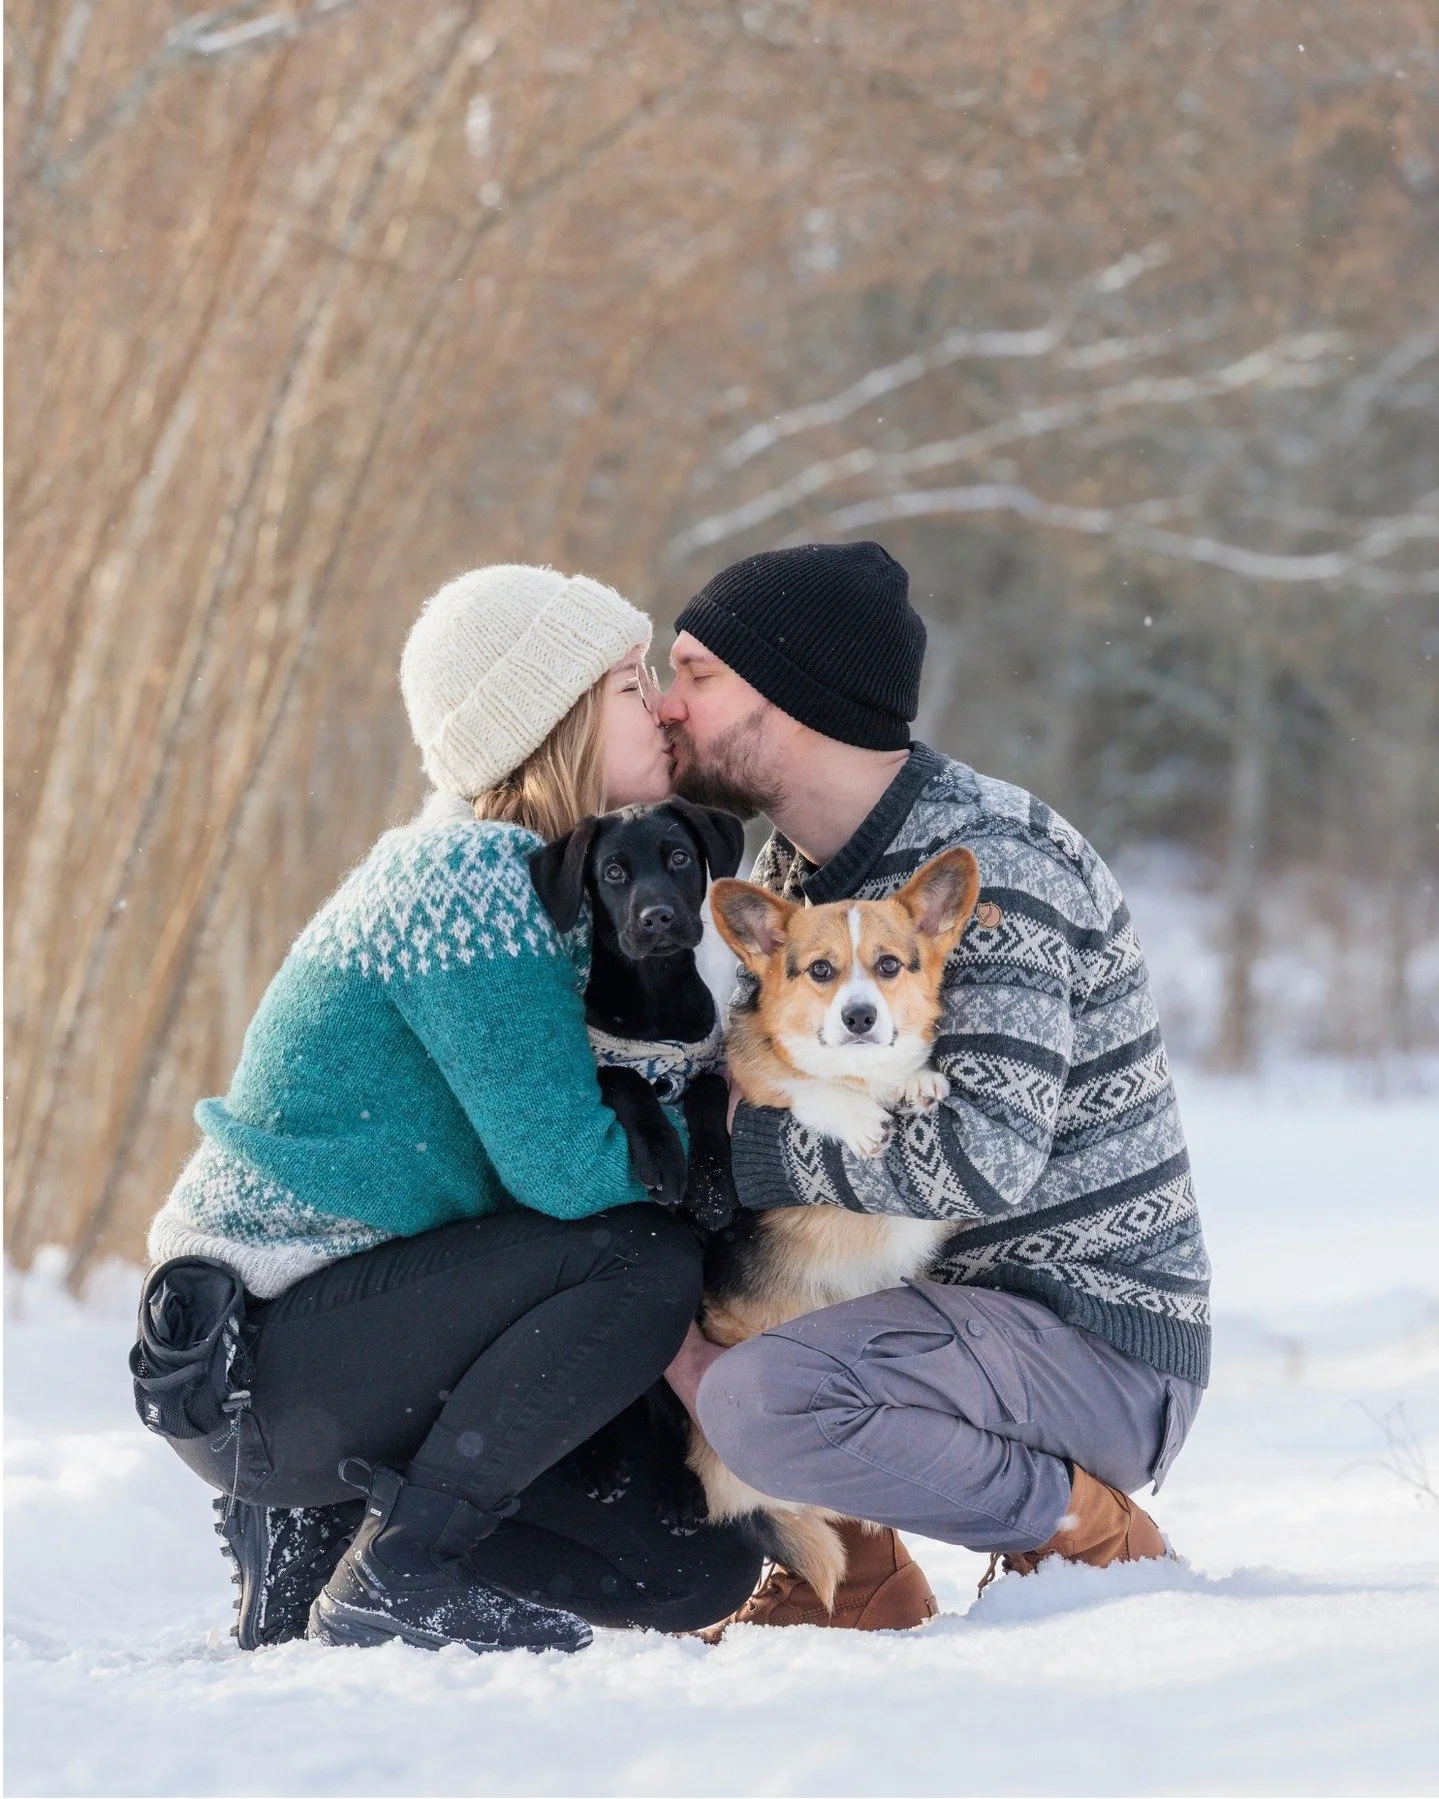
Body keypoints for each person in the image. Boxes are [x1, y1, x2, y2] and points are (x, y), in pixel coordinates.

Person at [139, 564, 762, 1654]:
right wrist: (718, 1177)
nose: (662, 703)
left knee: (691, 1558)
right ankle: (398, 1568)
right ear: (552, 719)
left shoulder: (556, 888)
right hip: (259, 1352)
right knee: (642, 1254)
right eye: (628, 683)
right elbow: (570, 1173)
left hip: (376, 1334)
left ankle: (325, 1531)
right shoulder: (463, 882)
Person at [659, 540, 1210, 1632]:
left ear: (793, 694)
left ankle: (1081, 1530)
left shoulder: (990, 861)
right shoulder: (797, 879)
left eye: (695, 674)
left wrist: (744, 1141)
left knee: (759, 1397)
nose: (669, 706)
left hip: (1089, 1336)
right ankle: (857, 1576)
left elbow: (983, 1157)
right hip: (932, 1322)